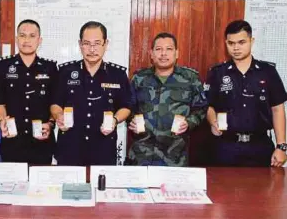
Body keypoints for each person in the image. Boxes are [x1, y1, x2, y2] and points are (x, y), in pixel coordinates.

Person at [205, 20, 287, 167]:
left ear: (251, 41)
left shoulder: (267, 71)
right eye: (231, 43)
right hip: (226, 146)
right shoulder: (217, 72)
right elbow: (210, 106)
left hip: (260, 146)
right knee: (223, 188)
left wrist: (281, 146)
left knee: (261, 189)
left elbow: (278, 109)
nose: (236, 48)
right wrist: (213, 122)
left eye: (241, 42)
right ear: (226, 43)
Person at [50, 21, 132, 166]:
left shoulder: (117, 74)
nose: (92, 49)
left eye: (97, 43)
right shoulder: (65, 72)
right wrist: (58, 116)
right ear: (80, 44)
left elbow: (126, 106)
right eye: (87, 43)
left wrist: (114, 120)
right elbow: (55, 103)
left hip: (103, 149)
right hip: (69, 149)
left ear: (105, 44)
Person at [127, 32, 207, 167]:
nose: (163, 54)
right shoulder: (139, 79)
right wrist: (132, 120)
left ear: (177, 53)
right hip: (141, 156)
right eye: (158, 49)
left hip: (174, 157)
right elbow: (128, 107)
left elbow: (202, 108)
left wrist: (189, 123)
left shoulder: (190, 78)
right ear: (151, 54)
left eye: (169, 49)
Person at [0, 19, 57, 164]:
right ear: (16, 39)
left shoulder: (50, 68)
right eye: (22, 35)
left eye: (32, 36)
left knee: (41, 187)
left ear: (39, 40)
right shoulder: (3, 67)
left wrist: (51, 124)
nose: (26, 40)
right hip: (12, 143)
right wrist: (2, 120)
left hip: (42, 144)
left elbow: (55, 104)